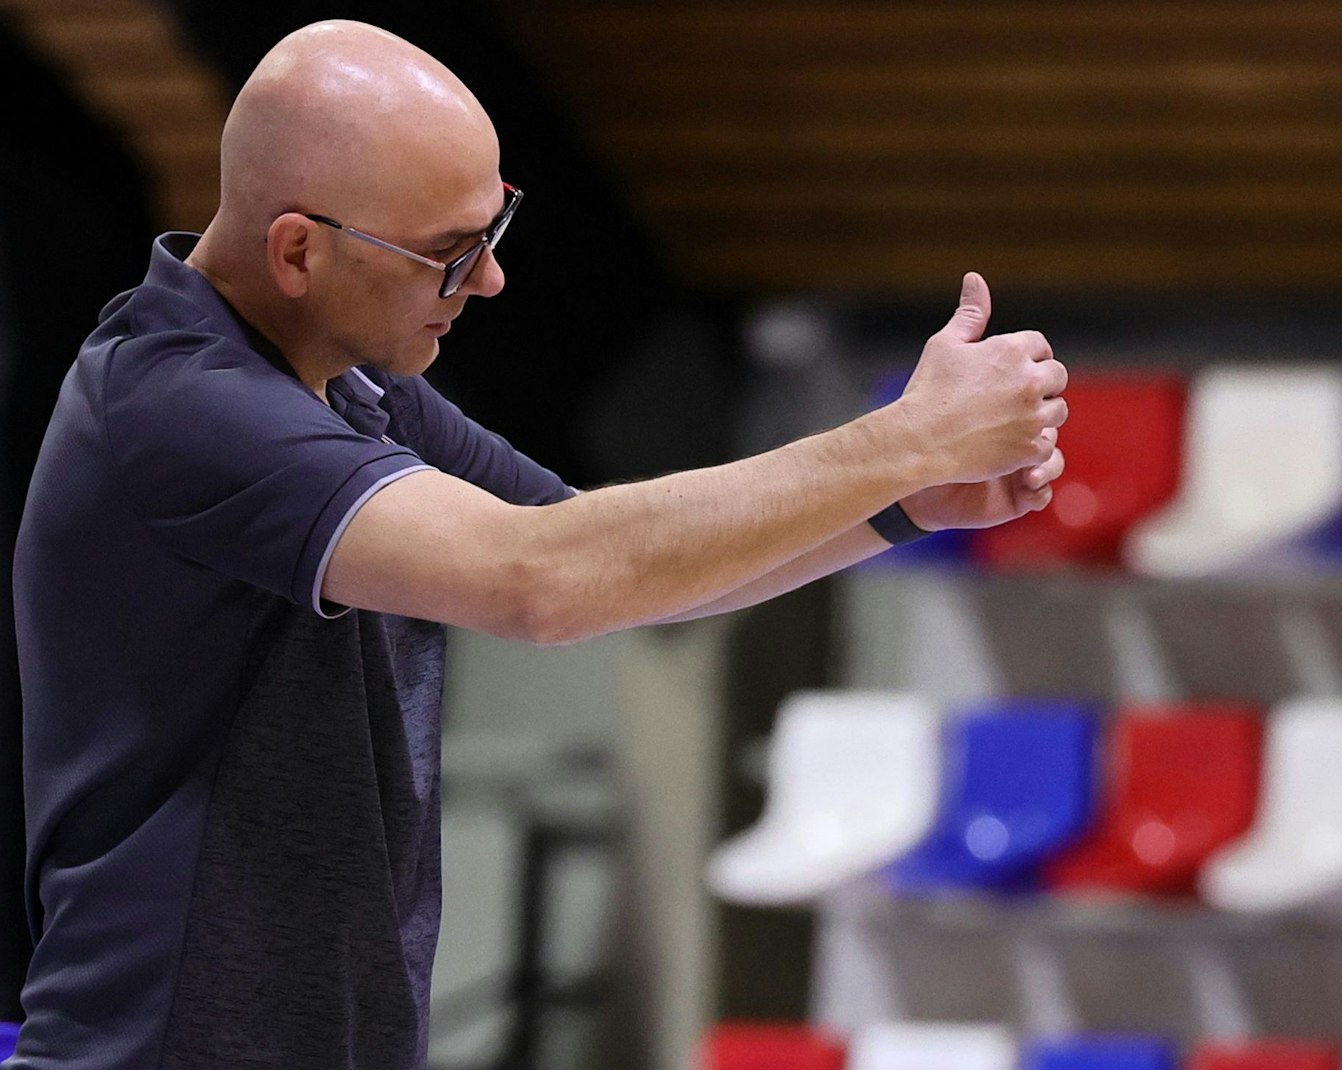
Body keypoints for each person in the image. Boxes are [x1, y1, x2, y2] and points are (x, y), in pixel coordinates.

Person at [8, 20, 1067, 1069]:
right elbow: (541, 579)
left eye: (493, 229)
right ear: (298, 251)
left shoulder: (354, 381)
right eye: (446, 254)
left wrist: (903, 502)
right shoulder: (182, 403)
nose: (489, 282)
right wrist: (898, 439)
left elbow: (626, 571)